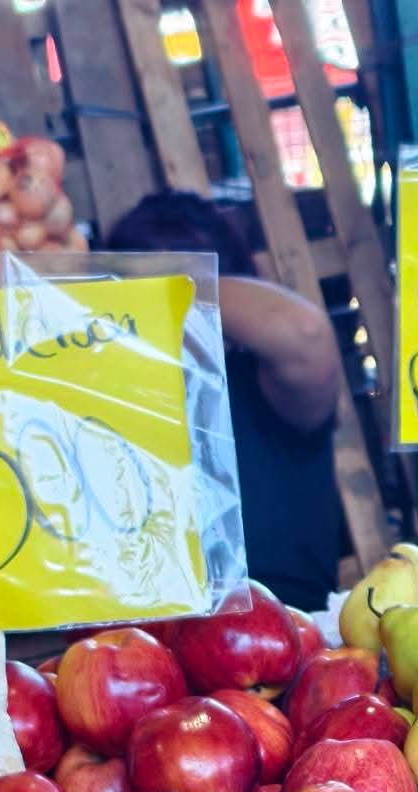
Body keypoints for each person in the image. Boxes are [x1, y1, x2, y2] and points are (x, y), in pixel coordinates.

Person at [104, 190, 344, 612]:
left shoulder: (264, 387)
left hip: (279, 631)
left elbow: (304, 332)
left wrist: (159, 288)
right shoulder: (105, 399)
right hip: (132, 638)